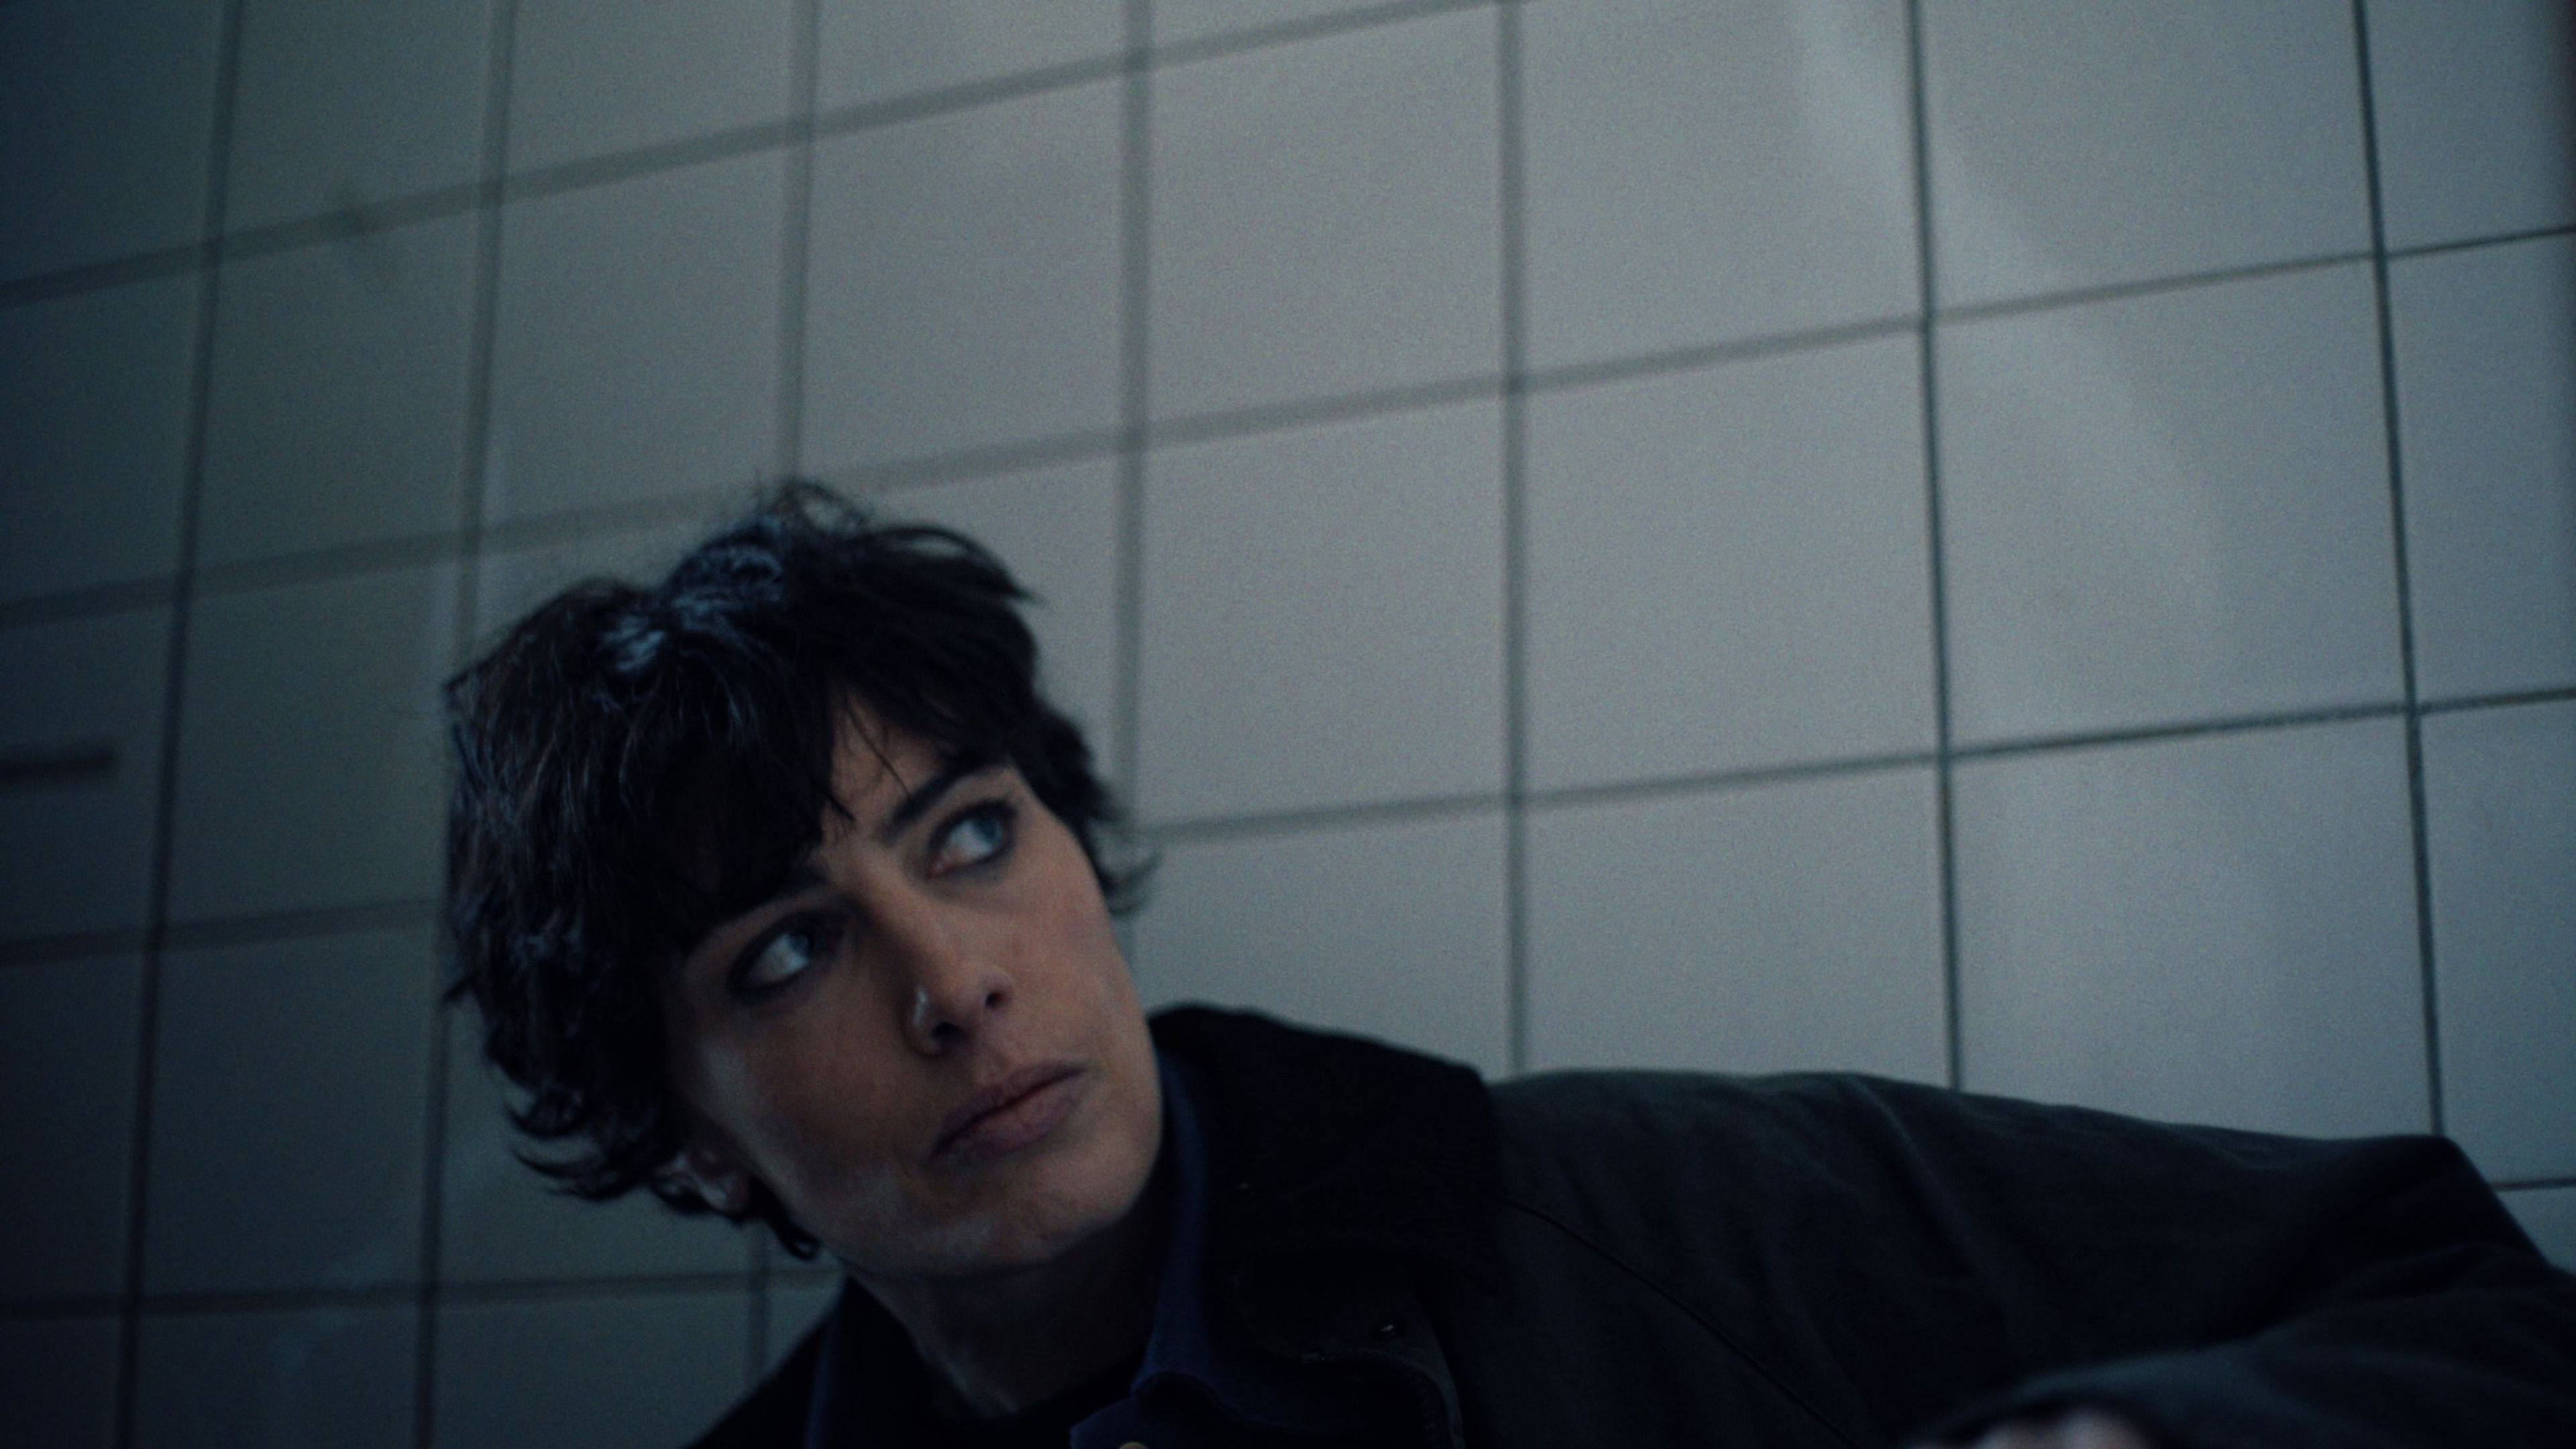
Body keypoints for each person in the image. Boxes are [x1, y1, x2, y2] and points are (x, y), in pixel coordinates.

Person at [445, 484, 2576, 1449]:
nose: (956, 979)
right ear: (690, 1134)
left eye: (973, 835)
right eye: (791, 949)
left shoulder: (1637, 1221)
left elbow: (2466, 1306)